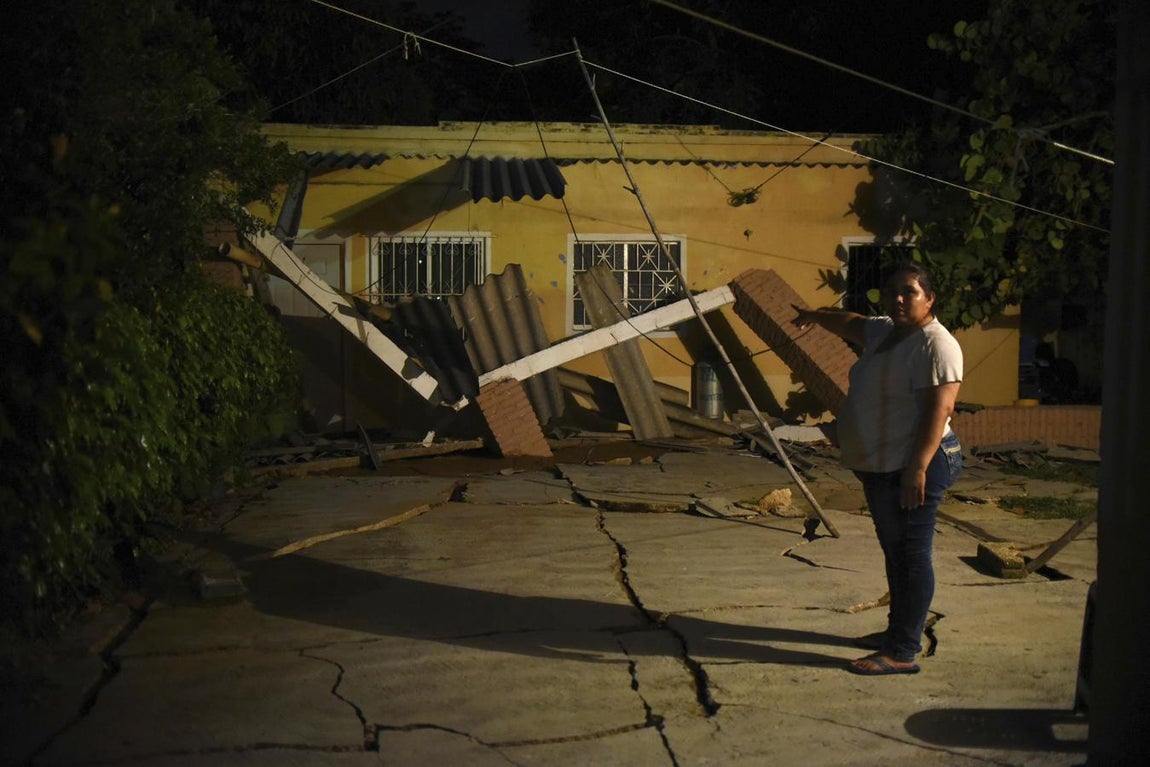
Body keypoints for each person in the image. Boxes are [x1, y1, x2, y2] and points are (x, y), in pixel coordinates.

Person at [792, 262, 963, 676]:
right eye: (891, 292)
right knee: (895, 553)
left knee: (912, 555)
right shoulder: (886, 331)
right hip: (883, 464)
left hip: (918, 463)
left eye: (910, 292)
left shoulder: (937, 345)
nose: (898, 299)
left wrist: (917, 470)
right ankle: (897, 632)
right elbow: (851, 323)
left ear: (930, 299)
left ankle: (903, 650)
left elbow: (939, 412)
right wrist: (814, 316)